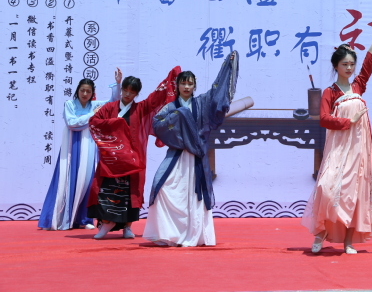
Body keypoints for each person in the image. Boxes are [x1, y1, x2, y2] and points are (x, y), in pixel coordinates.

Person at [301, 19, 372, 255]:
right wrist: (348, 121)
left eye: (352, 64)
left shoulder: (358, 86)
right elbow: (324, 119)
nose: (350, 68)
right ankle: (321, 232)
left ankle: (349, 242)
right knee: (326, 188)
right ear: (336, 66)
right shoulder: (329, 92)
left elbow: (370, 60)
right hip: (338, 149)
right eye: (345, 64)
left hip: (358, 149)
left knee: (355, 193)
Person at [143, 53, 239, 247]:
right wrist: (179, 116)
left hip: (195, 157)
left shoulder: (202, 103)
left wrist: (227, 69)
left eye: (190, 84)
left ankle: (194, 235)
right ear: (177, 86)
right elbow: (157, 124)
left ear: (194, 86)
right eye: (183, 83)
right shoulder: (170, 107)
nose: (186, 87)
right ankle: (168, 234)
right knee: (162, 188)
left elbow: (217, 92)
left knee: (195, 197)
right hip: (177, 156)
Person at [87, 66, 181, 239]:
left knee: (131, 192)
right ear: (121, 89)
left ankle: (127, 227)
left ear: (137, 94)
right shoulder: (109, 108)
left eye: (132, 92)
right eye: (125, 90)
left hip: (133, 158)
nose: (127, 94)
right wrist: (116, 123)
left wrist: (172, 77)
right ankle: (106, 223)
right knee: (106, 189)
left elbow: (156, 98)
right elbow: (94, 121)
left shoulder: (141, 108)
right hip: (112, 158)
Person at [38, 69, 122, 231]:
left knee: (87, 181)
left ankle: (84, 218)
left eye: (88, 91)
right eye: (82, 90)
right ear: (77, 91)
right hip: (71, 146)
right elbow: (72, 123)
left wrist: (118, 84)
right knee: (66, 179)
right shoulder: (69, 104)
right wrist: (92, 115)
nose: (85, 94)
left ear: (92, 93)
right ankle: (60, 217)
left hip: (89, 146)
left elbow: (114, 102)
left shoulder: (95, 105)